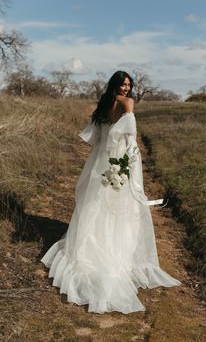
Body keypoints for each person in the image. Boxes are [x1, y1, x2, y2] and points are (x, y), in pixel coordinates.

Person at [40, 70, 181, 314]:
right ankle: (114, 250)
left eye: (129, 85)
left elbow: (95, 139)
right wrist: (130, 165)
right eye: (123, 84)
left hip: (100, 162)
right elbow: (130, 139)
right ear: (116, 85)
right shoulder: (128, 103)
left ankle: (97, 242)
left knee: (96, 203)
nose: (126, 88)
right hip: (119, 163)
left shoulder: (104, 105)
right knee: (117, 206)